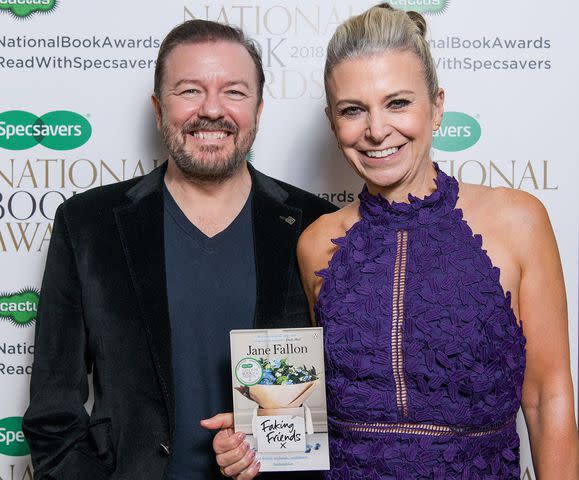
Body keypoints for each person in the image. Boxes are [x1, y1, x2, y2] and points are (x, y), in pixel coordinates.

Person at [212, 4, 579, 479]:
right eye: (353, 110)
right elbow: (305, 412)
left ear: (438, 105)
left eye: (398, 102)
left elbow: (548, 397)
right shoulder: (315, 243)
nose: (377, 130)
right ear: (331, 120)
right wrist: (252, 435)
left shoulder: (520, 221)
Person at [22, 19, 336, 480]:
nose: (212, 110)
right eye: (189, 91)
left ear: (260, 108)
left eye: (234, 92)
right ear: (158, 108)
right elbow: (53, 415)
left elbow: (351, 394)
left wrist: (268, 444)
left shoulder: (318, 225)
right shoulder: (87, 224)